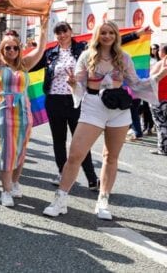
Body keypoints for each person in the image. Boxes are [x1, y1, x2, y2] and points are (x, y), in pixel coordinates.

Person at [43, 21, 167, 220]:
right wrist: (74, 83)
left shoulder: (124, 57)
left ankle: (103, 200)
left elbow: (135, 84)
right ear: (97, 35)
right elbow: (80, 87)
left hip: (119, 109)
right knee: (75, 154)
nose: (107, 36)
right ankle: (60, 199)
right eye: (103, 33)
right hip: (93, 106)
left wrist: (159, 75)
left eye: (111, 33)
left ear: (116, 35)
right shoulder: (86, 55)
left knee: (111, 156)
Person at [31, 22, 150, 189]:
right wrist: (10, 60)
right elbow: (30, 64)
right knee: (59, 140)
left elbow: (111, 42)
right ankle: (62, 173)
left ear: (71, 32)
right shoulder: (50, 53)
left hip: (77, 100)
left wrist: (137, 34)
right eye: (58, 33)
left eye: (65, 31)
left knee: (81, 143)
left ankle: (92, 178)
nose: (62, 35)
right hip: (54, 101)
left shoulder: (83, 49)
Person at [0, 11, 48, 207]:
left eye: (15, 47)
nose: (11, 50)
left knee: (20, 150)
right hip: (3, 112)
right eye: (7, 47)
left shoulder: (25, 65)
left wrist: (43, 26)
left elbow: (40, 49)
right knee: (7, 151)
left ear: (19, 48)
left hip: (23, 113)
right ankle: (5, 191)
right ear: (2, 50)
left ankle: (14, 182)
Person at [150, 44, 167, 155]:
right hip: (161, 97)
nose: (157, 52)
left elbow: (153, 79)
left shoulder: (162, 63)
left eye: (159, 50)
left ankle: (163, 148)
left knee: (161, 125)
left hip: (159, 98)